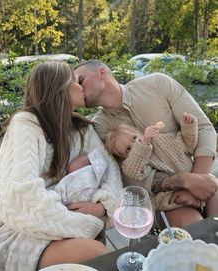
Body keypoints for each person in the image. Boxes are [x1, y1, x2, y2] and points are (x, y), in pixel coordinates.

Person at [0, 61, 122, 271]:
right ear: (60, 88)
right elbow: (19, 197)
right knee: (99, 256)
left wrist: (103, 206)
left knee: (101, 259)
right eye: (76, 82)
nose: (82, 87)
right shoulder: (26, 125)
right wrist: (86, 223)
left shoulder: (82, 129)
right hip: (18, 229)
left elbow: (110, 169)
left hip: (61, 222)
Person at [75, 59, 218, 228]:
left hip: (205, 172)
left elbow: (203, 128)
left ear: (101, 73)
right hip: (161, 198)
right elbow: (124, 176)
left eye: (80, 80)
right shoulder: (98, 128)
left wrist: (196, 182)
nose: (78, 88)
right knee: (193, 227)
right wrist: (182, 181)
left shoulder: (157, 83)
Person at [105, 113, 204, 215]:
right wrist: (143, 143)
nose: (134, 146)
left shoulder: (161, 139)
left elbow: (187, 146)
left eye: (134, 138)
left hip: (194, 175)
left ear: (138, 132)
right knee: (170, 202)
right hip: (173, 192)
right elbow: (133, 171)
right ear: (123, 158)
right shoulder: (135, 163)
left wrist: (188, 127)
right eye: (128, 149)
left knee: (214, 188)